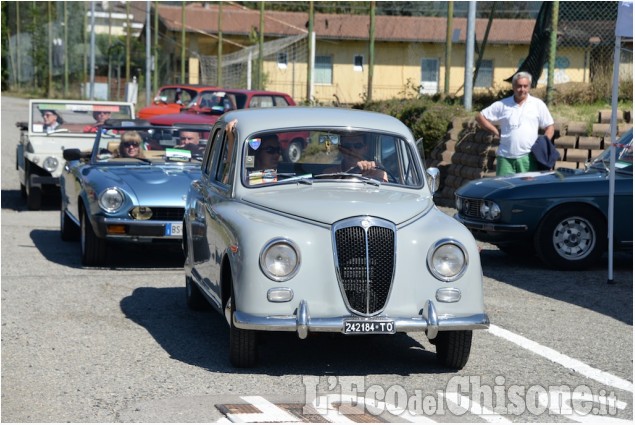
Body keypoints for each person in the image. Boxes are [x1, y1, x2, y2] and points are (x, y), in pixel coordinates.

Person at [475, 71, 555, 176]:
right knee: (504, 190)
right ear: (513, 87)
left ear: (530, 86)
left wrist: (543, 144)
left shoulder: (538, 104)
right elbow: (479, 117)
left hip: (528, 157)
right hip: (505, 158)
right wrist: (494, 131)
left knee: (526, 190)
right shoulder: (502, 104)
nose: (522, 89)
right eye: (519, 86)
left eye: (525, 86)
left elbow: (550, 127)